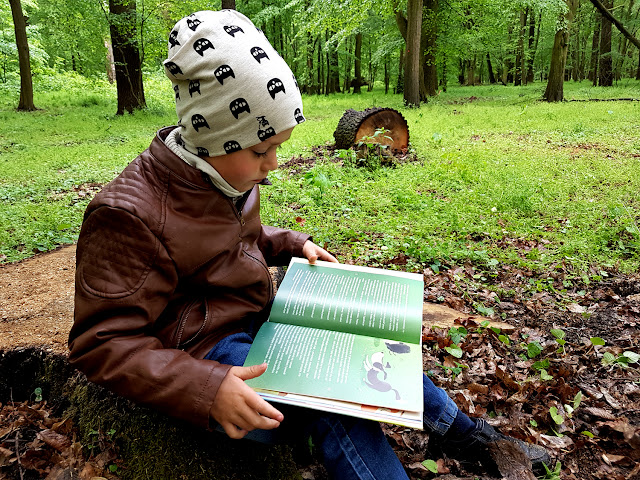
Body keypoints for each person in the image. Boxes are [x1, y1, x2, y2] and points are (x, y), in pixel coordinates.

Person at [69, 9, 550, 479]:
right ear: (213, 133)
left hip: (254, 323)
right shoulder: (127, 215)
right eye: (262, 150)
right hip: (202, 358)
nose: (273, 164)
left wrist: (293, 244)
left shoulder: (220, 172)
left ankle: (461, 433)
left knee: (365, 346)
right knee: (337, 400)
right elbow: (101, 343)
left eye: (277, 146)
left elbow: (236, 239)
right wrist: (206, 388)